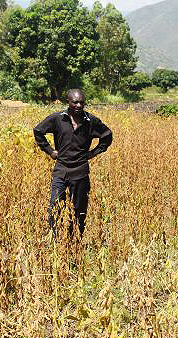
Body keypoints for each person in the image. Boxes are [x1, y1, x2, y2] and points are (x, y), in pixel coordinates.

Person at [33, 89, 112, 236]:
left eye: (82, 102)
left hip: (81, 171)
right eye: (75, 102)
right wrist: (50, 151)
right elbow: (38, 131)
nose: (79, 105)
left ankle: (75, 240)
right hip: (61, 170)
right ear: (68, 102)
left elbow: (107, 135)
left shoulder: (91, 121)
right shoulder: (57, 119)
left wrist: (93, 153)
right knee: (55, 206)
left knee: (79, 209)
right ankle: (56, 240)